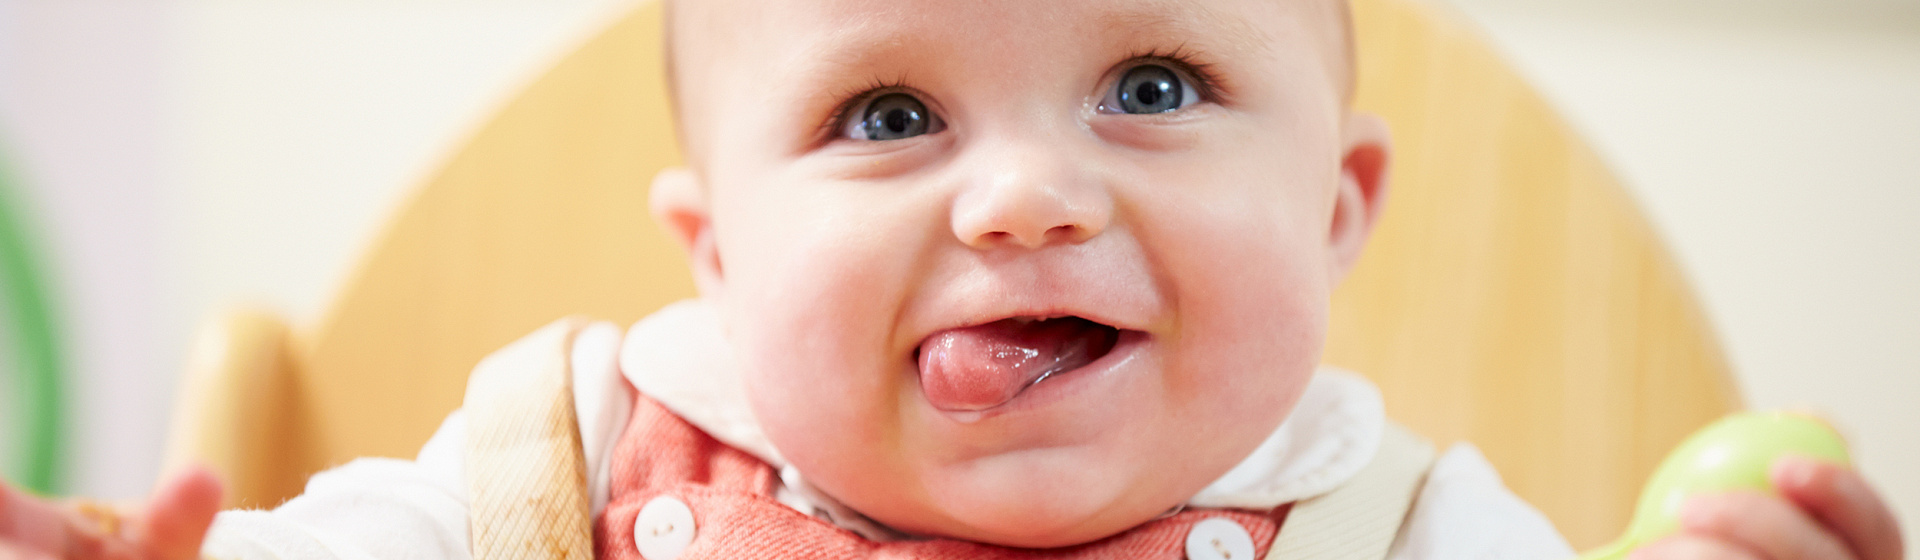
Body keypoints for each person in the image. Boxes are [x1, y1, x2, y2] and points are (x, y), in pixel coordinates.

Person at [1, 0, 1905, 558]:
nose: (1024, 202)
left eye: (1153, 86)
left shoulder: (1405, 535)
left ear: (1337, 209)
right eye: (889, 113)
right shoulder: (567, 470)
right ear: (721, 259)